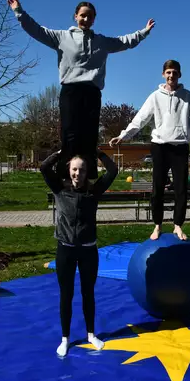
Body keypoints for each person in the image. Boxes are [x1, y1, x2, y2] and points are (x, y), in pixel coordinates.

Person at [7, 0, 155, 178]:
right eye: (83, 15)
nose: (86, 19)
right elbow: (36, 30)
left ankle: (88, 176)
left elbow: (124, 41)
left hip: (92, 93)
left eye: (90, 16)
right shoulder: (61, 37)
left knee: (89, 135)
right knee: (70, 134)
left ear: (94, 20)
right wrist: (19, 11)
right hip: (71, 91)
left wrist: (144, 32)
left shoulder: (101, 42)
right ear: (76, 16)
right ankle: (66, 175)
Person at [109, 60, 190, 240]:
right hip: (159, 146)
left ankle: (178, 226)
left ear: (179, 75)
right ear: (163, 74)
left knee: (181, 189)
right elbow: (140, 119)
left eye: (174, 72)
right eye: (168, 72)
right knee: (158, 188)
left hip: (180, 147)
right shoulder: (155, 97)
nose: (171, 75)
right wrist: (123, 136)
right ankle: (157, 225)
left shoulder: (187, 96)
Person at [40, 149, 118, 357]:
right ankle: (65, 338)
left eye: (82, 170)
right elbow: (44, 168)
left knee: (88, 293)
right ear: (69, 170)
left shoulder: (94, 191)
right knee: (66, 294)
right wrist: (60, 152)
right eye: (74, 169)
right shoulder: (59, 188)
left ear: (87, 172)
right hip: (65, 249)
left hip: (88, 250)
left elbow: (113, 170)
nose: (78, 174)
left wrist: (97, 152)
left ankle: (91, 334)